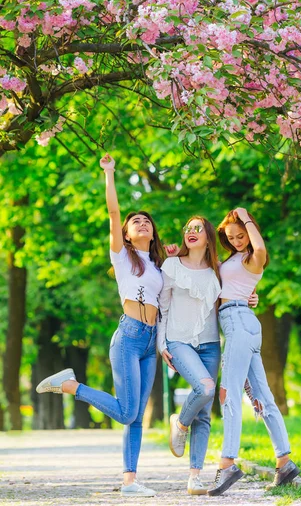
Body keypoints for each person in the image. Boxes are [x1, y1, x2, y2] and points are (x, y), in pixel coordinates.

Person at [36, 153, 164, 497]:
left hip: (151, 343)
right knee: (126, 413)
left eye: (146, 221)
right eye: (134, 221)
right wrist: (109, 173)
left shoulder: (159, 267)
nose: (141, 223)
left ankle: (130, 482)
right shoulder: (123, 257)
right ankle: (71, 386)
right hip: (128, 338)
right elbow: (113, 213)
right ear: (125, 233)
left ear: (153, 233)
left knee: (135, 417)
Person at [208, 207, 299, 497]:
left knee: (229, 393)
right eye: (231, 236)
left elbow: (260, 248)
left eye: (241, 235)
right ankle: (284, 462)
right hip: (240, 320)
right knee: (262, 398)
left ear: (249, 232)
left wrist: (246, 217)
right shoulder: (233, 259)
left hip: (238, 322)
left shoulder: (253, 256)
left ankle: (228, 462)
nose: (237, 240)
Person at [158, 216, 222, 495]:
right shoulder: (171, 265)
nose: (191, 232)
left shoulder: (218, 271)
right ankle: (180, 423)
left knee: (205, 415)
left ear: (208, 237)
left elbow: (234, 296)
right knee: (206, 387)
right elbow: (163, 307)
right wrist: (162, 343)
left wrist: (251, 297)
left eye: (198, 228)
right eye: (187, 228)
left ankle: (194, 477)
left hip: (210, 344)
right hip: (179, 341)